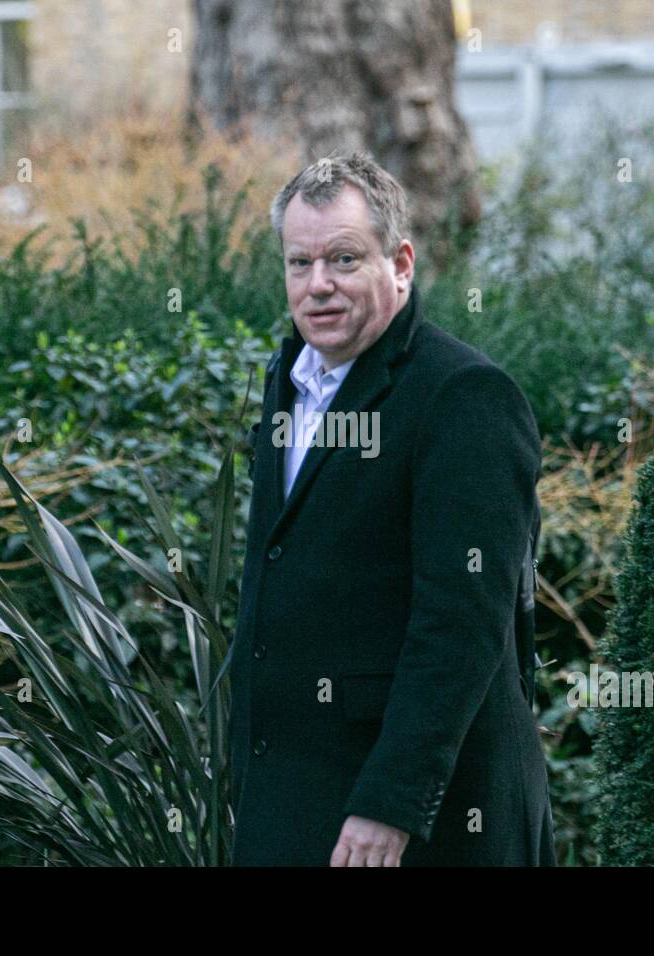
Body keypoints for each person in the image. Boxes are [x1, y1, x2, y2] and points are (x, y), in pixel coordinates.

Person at [229, 150, 557, 866]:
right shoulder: (288, 381)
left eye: (344, 260)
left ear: (401, 264)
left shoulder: (465, 398)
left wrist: (391, 804)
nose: (318, 286)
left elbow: (462, 622)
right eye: (299, 263)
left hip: (422, 822)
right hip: (294, 796)